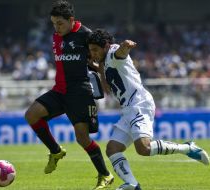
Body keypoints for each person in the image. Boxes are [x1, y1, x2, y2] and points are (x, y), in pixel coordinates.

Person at [87, 29, 210, 190]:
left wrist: (125, 46)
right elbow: (108, 90)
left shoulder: (113, 52)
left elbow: (120, 52)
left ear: (106, 46)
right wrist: (99, 68)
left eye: (95, 50)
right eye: (91, 51)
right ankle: (132, 184)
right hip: (127, 109)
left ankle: (187, 148)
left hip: (139, 104)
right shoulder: (105, 62)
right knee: (112, 149)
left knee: (143, 148)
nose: (93, 54)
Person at [25, 1, 114, 189]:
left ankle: (105, 175)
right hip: (59, 90)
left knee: (82, 137)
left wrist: (103, 76)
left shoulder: (86, 35)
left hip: (79, 93)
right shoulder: (56, 36)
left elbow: (100, 57)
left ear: (71, 20)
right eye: (53, 23)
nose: (56, 27)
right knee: (31, 114)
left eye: (60, 23)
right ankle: (55, 151)